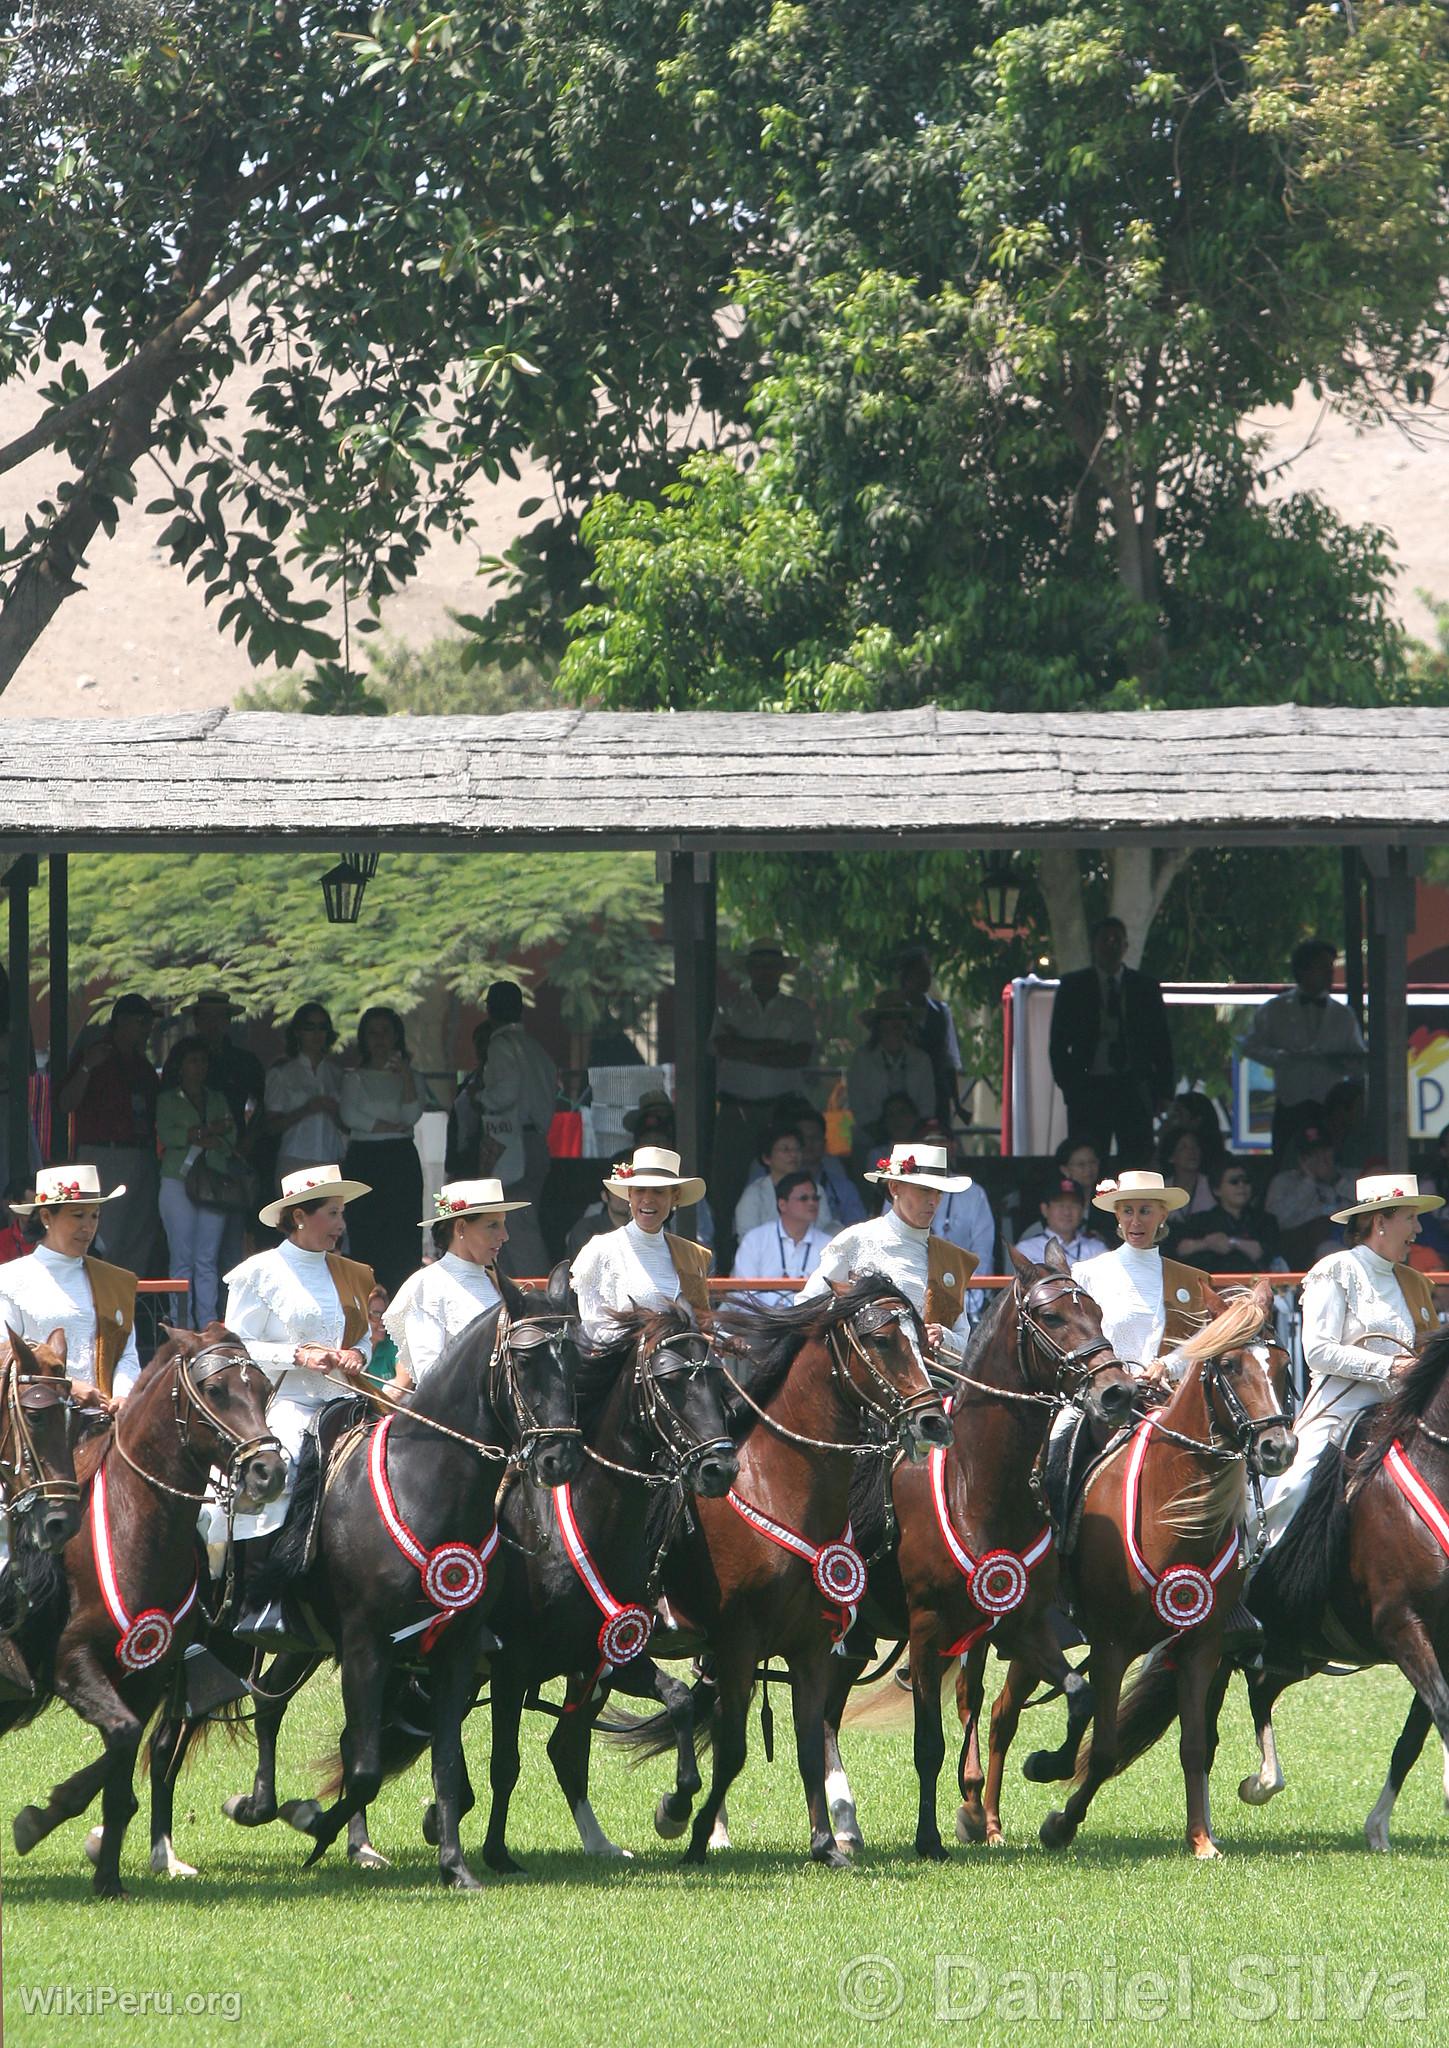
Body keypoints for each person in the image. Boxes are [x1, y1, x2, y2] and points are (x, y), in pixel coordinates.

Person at [223, 1165, 375, 1645]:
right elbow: (236, 1344)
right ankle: (260, 1598)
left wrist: (358, 1353)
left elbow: (367, 1333)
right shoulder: (258, 1272)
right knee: (276, 1472)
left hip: (348, 1400)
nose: (341, 1224)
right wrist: (296, 1353)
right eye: (332, 1214)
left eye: (342, 1213)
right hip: (289, 1399)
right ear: (298, 1217)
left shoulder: (352, 1272)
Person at [1260, 1175, 1443, 1546]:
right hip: (1340, 1411)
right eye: (1410, 1217)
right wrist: (1389, 1366)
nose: (1419, 1229)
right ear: (1380, 1222)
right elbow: (1318, 1351)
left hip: (1404, 1412)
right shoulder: (1336, 1269)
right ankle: (1260, 1571)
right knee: (1292, 1488)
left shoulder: (1415, 1282)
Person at [800, 1142, 976, 1364]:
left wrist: (944, 1337)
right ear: (894, 1188)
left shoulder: (950, 1259)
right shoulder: (857, 1240)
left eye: (939, 1192)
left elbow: (963, 1344)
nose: (934, 1201)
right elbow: (808, 1306)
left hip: (930, 1387)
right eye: (924, 1190)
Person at [709, 942, 816, 1257]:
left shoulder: (796, 1009)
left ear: (781, 970)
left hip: (782, 1110)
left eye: (772, 965)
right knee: (727, 1185)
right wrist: (774, 1047)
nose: (765, 971)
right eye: (760, 964)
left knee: (792, 1177)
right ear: (750, 969)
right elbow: (721, 1047)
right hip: (736, 1109)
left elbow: (799, 1055)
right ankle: (727, 1257)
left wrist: (746, 1046)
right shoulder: (729, 1005)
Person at [0, 1166, 140, 1403]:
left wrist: (122, 1396)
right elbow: (4, 1354)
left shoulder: (113, 1281)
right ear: (46, 1217)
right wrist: (68, 1385)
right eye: (77, 1215)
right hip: (39, 1419)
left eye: (94, 1215)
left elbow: (126, 1353)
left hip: (104, 1421)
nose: (88, 1227)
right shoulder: (11, 1279)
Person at [1048, 918, 1174, 1163]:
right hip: (1089, 1086)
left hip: (1133, 1085)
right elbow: (1058, 1044)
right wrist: (1070, 1087)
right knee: (1090, 1156)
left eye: (1117, 940)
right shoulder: (1074, 986)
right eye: (1105, 940)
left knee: (1137, 1157)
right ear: (1094, 945)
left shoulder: (1144, 987)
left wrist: (1163, 1091)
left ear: (1126, 946)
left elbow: (1161, 1042)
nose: (1111, 946)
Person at [385, 1178, 528, 1390]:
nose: (504, 1236)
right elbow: (430, 1376)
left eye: (503, 1224)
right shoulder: (428, 1286)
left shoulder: (501, 1284)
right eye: (492, 1226)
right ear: (460, 1227)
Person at [57, 992, 160, 1276]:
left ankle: (127, 1310)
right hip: (103, 1156)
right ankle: (98, 1306)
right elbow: (66, 1103)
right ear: (122, 1022)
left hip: (141, 1155)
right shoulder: (96, 1055)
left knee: (139, 1235)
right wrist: (88, 1066)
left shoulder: (143, 1067)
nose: (148, 1029)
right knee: (103, 1234)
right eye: (142, 1022)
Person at [569, 1147, 711, 1347]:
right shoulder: (602, 1250)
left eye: (658, 1192)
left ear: (675, 1197)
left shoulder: (691, 1254)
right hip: (625, 1368)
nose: (647, 1199)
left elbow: (701, 1322)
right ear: (629, 1195)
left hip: (682, 1366)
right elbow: (595, 1330)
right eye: (640, 1190)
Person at [1072, 1169, 1211, 1372]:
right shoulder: (1087, 1273)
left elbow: (1203, 1341)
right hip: (1106, 1397)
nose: (1136, 1221)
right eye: (1128, 1211)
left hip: (1169, 1398)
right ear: (1117, 1215)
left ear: (1163, 1215)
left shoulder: (1191, 1280)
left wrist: (1167, 1366)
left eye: (1145, 1211)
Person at [1240, 939, 1366, 1159]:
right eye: (1323, 967)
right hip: (1290, 1103)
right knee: (1284, 1160)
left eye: (1331, 967)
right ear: (1303, 970)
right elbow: (1250, 1046)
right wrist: (1281, 1057)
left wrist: (1338, 1063)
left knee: (1331, 1160)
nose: (1329, 973)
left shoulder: (1343, 1015)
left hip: (1329, 1106)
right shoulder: (1274, 1009)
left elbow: (1359, 1060)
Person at [156, 1035, 242, 1329]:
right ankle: (182, 1324)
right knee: (182, 1257)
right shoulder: (167, 1099)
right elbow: (169, 1136)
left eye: (203, 1061)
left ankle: (206, 1323)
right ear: (180, 1066)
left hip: (214, 1181)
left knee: (207, 1258)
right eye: (193, 1061)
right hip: (177, 1180)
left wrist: (199, 1134)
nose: (199, 1067)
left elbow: (230, 1137)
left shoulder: (217, 1098)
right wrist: (205, 1132)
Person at [339, 1005, 425, 1295]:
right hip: (365, 1159)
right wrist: (388, 1126)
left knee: (403, 1234)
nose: (379, 1039)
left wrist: (406, 1076)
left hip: (400, 1159)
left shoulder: (410, 1075)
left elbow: (411, 1115)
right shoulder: (354, 1077)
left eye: (385, 1032)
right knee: (366, 1232)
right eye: (372, 1033)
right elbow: (351, 1117)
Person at [473, 982, 556, 1281]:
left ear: (489, 1010)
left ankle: (534, 1294)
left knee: (515, 1226)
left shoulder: (501, 1044)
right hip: (535, 1139)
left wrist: (481, 1097)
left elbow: (505, 1092)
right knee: (517, 1223)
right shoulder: (535, 1048)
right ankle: (515, 1290)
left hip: (512, 1143)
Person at [847, 991, 935, 1165]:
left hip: (915, 1138)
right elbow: (858, 1106)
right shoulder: (862, 1059)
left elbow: (927, 1106)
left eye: (901, 1017)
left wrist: (909, 1136)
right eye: (888, 1018)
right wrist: (883, 1135)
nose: (895, 1023)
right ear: (878, 1024)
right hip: (869, 1138)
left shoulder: (921, 1059)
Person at [265, 1004, 345, 1186]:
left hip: (330, 1158)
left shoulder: (337, 1075)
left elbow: (348, 1126)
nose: (317, 1033)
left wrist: (333, 1111)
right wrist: (306, 1109)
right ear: (297, 1032)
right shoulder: (282, 1074)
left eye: (322, 1027)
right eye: (310, 1027)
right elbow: (271, 1126)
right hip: (295, 1157)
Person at [732, 1170, 834, 1309]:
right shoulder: (755, 1240)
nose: (812, 1203)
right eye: (804, 1198)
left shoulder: (829, 1245)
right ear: (782, 1205)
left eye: (815, 1198)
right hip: (762, 1324)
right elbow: (744, 1294)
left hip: (811, 1324)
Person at [1265, 1124, 1355, 1270]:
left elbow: (1370, 1203)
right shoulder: (1283, 1182)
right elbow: (1275, 1221)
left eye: (1324, 1152)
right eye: (1313, 1155)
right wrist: (1308, 1182)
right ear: (1301, 1158)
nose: (1320, 1159)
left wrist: (1335, 1180)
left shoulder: (1349, 1177)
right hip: (1304, 1252)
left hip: (1349, 1242)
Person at [1170, 1159, 1281, 1276]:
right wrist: (1207, 1243)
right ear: (1217, 1189)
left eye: (1246, 1181)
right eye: (1234, 1182)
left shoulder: (1266, 1221)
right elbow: (1180, 1250)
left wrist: (1232, 1242)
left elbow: (1267, 1254)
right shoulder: (1201, 1220)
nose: (1241, 1186)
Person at [897, 943, 963, 1129]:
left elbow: (949, 1058)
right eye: (920, 973)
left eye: (928, 973)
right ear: (906, 976)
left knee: (936, 1148)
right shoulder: (894, 1012)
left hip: (937, 1093)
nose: (926, 978)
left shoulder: (941, 1012)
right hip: (904, 1094)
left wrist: (956, 1102)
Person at [733, 1125, 838, 1239]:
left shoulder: (816, 1190)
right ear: (767, 1158)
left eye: (797, 1149)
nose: (793, 1155)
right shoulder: (755, 1193)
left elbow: (823, 1228)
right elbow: (747, 1236)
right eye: (785, 1149)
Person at [1015, 1175, 1108, 1267]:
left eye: (1073, 1205)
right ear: (1044, 1209)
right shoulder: (1027, 1249)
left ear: (1082, 1211)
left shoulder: (1097, 1249)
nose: (1067, 1212)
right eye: (1060, 1205)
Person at [565, 1150, 635, 1260]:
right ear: (605, 1196)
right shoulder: (586, 1229)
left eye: (629, 1190)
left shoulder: (645, 1228)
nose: (623, 1197)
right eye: (616, 1191)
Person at [1158, 1126, 1213, 1215]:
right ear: (1171, 1157)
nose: (1192, 1151)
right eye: (1183, 1147)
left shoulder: (1212, 1184)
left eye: (1195, 1146)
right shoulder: (1162, 1189)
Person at [1055, 1136, 1102, 1208]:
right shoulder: (1055, 1199)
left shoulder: (1105, 1199)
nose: (1088, 1169)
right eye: (1081, 1164)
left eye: (1092, 1162)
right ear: (1065, 1170)